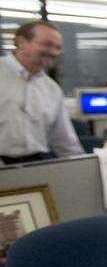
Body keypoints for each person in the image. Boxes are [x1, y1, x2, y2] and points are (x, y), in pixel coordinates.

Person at [0, 21, 84, 164]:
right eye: (47, 44)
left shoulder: (51, 88)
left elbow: (64, 140)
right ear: (21, 42)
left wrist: (82, 167)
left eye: (57, 47)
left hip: (36, 163)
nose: (53, 52)